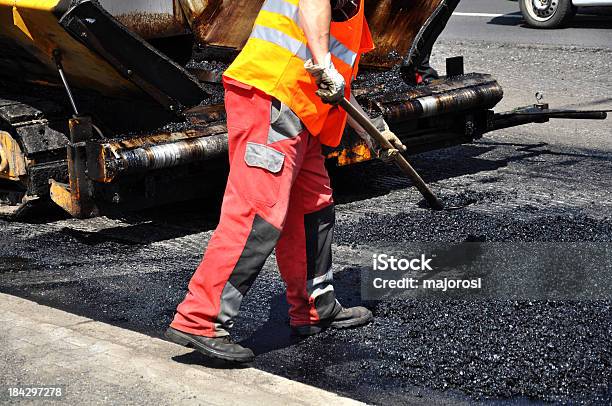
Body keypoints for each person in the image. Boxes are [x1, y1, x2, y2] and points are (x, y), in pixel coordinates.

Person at [165, 0, 406, 363]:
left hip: (305, 116)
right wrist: (324, 65)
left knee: (314, 208)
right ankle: (200, 318)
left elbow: (341, 86)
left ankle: (315, 307)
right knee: (258, 212)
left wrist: (374, 131)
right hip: (271, 97)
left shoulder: (355, 14)